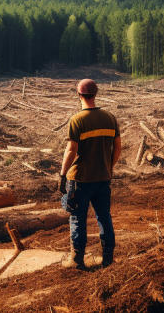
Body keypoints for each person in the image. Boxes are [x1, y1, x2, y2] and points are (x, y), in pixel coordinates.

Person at [58, 78, 121, 269]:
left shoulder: (77, 120)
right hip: (103, 178)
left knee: (77, 218)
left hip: (79, 180)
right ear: (96, 93)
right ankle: (108, 258)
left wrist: (62, 175)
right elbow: (118, 147)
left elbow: (71, 150)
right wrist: (108, 167)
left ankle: (77, 260)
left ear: (79, 95)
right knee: (104, 217)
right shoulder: (110, 118)